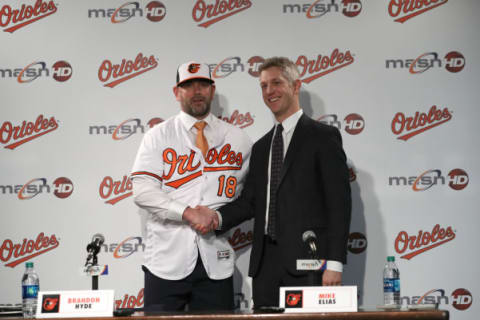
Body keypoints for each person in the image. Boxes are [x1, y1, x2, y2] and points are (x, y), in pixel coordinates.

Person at [196, 57, 351, 308]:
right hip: (265, 265)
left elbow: (339, 204)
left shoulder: (323, 137)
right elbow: (249, 203)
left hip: (309, 263)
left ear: (296, 85)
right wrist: (215, 217)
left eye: (276, 83)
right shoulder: (261, 147)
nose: (269, 91)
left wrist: (334, 263)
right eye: (264, 86)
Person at [130, 61, 252, 311]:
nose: (196, 91)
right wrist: (186, 212)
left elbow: (249, 199)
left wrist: (217, 217)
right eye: (188, 85)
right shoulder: (158, 136)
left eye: (203, 84)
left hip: (216, 262)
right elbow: (142, 190)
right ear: (177, 92)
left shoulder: (238, 139)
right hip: (165, 262)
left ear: (212, 90)